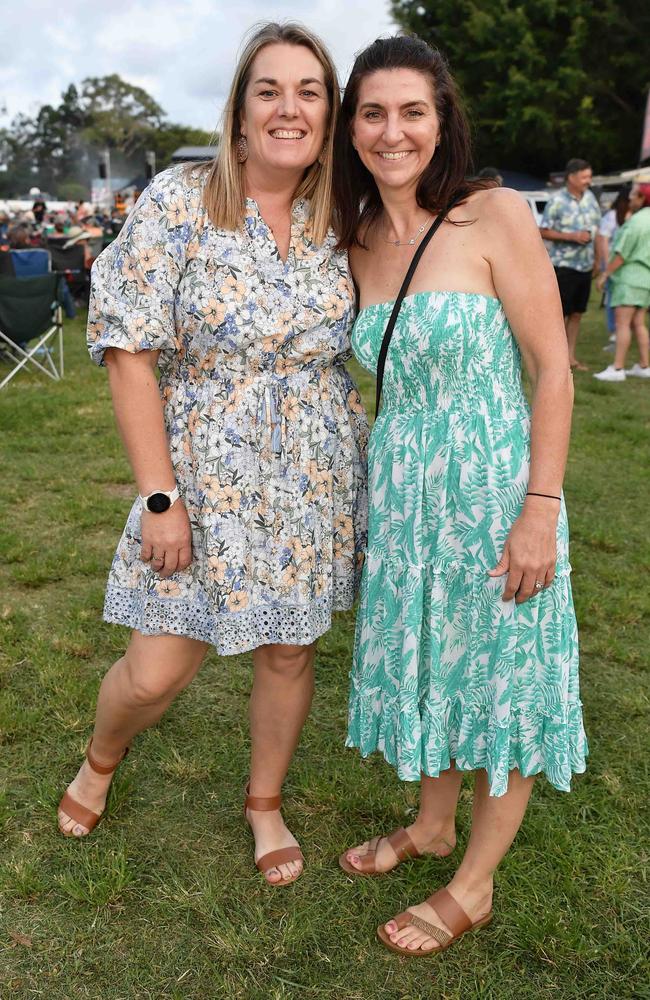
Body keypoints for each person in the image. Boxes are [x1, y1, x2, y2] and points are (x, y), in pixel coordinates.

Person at [58, 21, 368, 889]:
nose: (289, 107)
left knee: (289, 652)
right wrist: (161, 497)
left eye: (309, 91)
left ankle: (263, 801)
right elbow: (129, 351)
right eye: (269, 90)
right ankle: (102, 754)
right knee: (155, 671)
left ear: (329, 114)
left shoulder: (345, 210)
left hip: (312, 467)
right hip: (201, 468)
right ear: (239, 113)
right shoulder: (179, 199)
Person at [333, 35, 587, 957]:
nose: (391, 131)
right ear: (350, 126)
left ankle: (472, 885)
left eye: (411, 112)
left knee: (501, 682)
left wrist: (540, 509)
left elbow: (553, 370)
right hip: (405, 502)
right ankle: (431, 827)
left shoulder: (493, 214)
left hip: (493, 496)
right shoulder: (357, 235)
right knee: (433, 665)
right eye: (372, 112)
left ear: (442, 122)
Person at [540, 158, 601, 371]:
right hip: (563, 266)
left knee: (577, 313)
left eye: (589, 176)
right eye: (585, 177)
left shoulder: (591, 199)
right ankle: (553, 360)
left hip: (584, 266)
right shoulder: (557, 201)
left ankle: (570, 357)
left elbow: (598, 230)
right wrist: (571, 236)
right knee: (560, 314)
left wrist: (598, 259)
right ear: (571, 177)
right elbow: (543, 230)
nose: (588, 181)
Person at [594, 183, 650, 381]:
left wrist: (605, 274)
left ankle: (617, 368)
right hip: (645, 279)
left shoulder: (636, 222)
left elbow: (622, 253)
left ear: (642, 199)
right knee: (638, 322)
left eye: (634, 195)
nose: (630, 199)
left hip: (629, 279)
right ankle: (644, 365)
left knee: (622, 323)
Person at [595, 188, 630, 348]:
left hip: (627, 266)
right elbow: (603, 240)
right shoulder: (611, 217)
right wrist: (606, 266)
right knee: (612, 300)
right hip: (614, 263)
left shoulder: (633, 217)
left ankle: (622, 333)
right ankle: (615, 333)